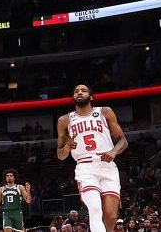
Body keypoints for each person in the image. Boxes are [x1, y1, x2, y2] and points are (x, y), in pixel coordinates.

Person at [57, 84, 127, 232]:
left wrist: (114, 151)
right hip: (85, 167)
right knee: (95, 208)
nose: (79, 93)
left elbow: (123, 141)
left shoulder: (105, 112)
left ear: (91, 96)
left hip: (107, 165)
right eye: (76, 91)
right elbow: (60, 155)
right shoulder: (65, 120)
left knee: (111, 216)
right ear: (73, 97)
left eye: (83, 90)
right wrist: (67, 147)